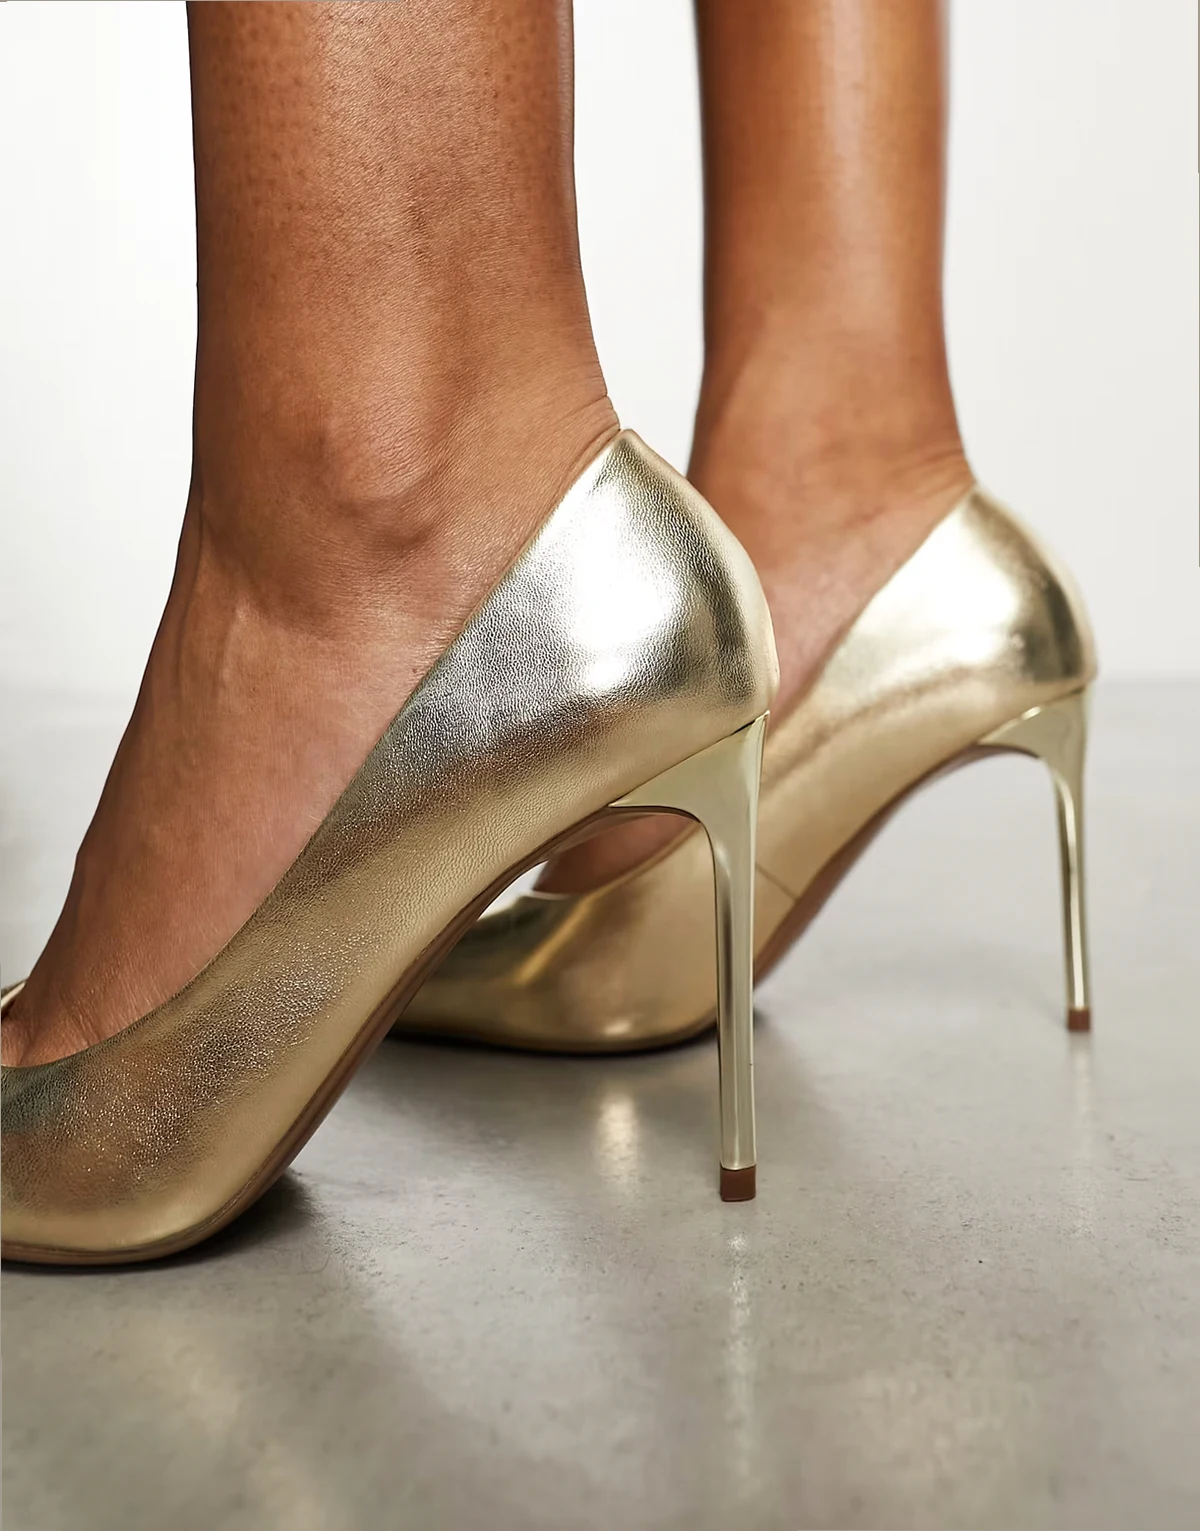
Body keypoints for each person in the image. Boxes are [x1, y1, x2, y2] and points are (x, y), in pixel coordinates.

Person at [1, 2, 1093, 1264]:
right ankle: (845, 453)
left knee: (392, 453)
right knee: (829, 434)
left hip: (411, 545)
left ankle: (394, 483)